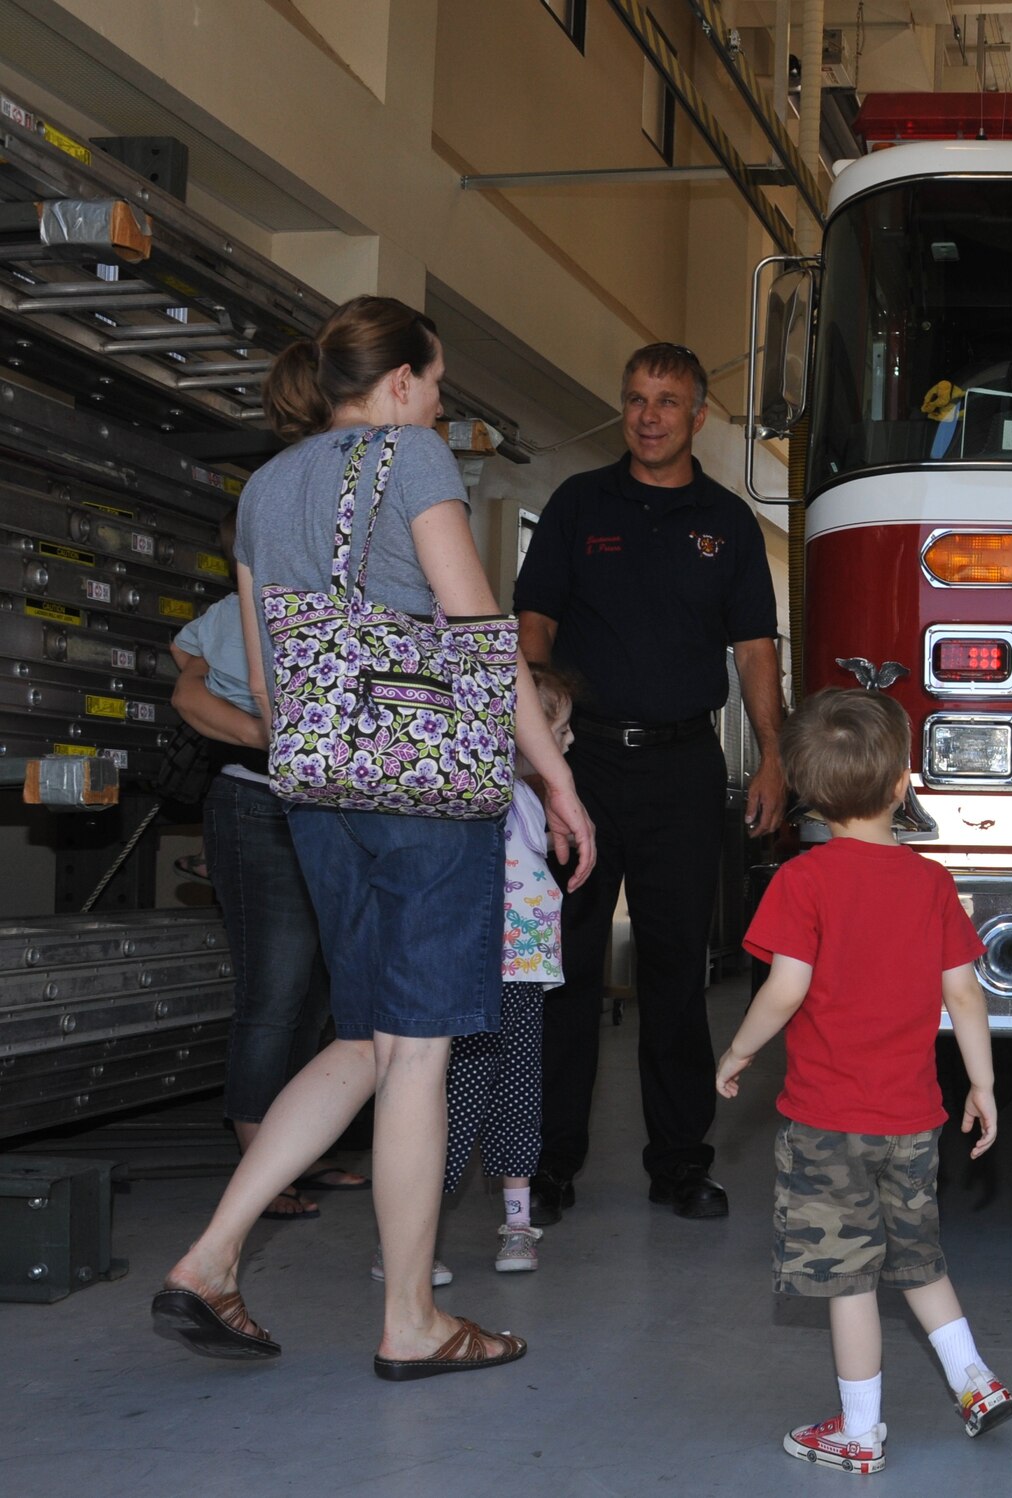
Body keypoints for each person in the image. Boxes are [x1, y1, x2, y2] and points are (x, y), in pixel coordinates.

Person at [150, 295, 595, 1379]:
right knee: (419, 1056)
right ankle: (412, 1320)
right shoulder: (412, 459)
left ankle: (209, 1255)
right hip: (426, 792)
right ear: (397, 384)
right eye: (435, 385)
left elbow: (265, 670)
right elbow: (481, 634)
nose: (438, 405)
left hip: (311, 788)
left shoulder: (261, 489)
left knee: (364, 1042)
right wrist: (555, 772)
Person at [513, 341, 785, 1223]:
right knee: (566, 971)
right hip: (580, 764)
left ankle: (679, 1162)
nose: (649, 415)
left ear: (699, 414)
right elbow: (535, 623)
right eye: (635, 398)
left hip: (682, 767)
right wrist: (536, 739)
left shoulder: (728, 523)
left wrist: (774, 754)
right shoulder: (578, 502)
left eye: (668, 401)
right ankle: (548, 1166)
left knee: (678, 971)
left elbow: (753, 650)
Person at [716, 689, 1012, 1474]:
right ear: (900, 784)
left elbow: (785, 989)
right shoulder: (930, 884)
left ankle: (859, 1432)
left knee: (849, 1282)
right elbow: (965, 994)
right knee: (919, 1261)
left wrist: (739, 1050)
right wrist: (981, 1085)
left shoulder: (803, 881)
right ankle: (974, 1382)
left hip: (826, 1123)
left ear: (811, 793)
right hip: (912, 1119)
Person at [173, 580, 371, 1222]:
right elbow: (185, 675)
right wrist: (267, 731)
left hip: (327, 804)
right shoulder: (240, 607)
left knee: (316, 990)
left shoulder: (344, 599)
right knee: (273, 992)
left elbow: (186, 657)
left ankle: (296, 1148)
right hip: (257, 802)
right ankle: (258, 1160)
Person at [439, 663, 578, 1274]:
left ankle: (518, 1227)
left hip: (522, 976)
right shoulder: (477, 793)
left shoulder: (528, 797)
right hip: (473, 975)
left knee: (520, 1098)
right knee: (454, 1103)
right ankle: (408, 1238)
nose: (567, 741)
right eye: (558, 728)